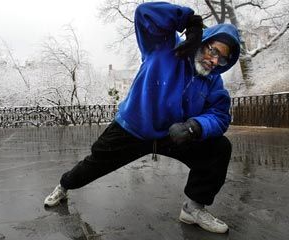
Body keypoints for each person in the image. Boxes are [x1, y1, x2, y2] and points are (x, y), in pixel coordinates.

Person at [44, 1, 240, 234]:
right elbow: (145, 13)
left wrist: (195, 126)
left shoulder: (213, 81)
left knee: (219, 148)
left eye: (223, 59)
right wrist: (187, 20)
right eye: (213, 50)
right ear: (204, 41)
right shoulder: (164, 48)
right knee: (95, 162)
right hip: (134, 128)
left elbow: (219, 115)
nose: (215, 60)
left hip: (173, 135)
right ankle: (64, 186)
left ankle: (193, 209)